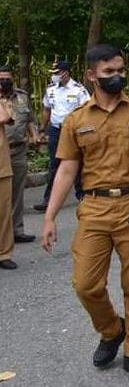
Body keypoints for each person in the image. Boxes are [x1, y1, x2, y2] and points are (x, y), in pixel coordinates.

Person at [40, 44, 129, 382]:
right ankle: (112, 329)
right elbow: (67, 171)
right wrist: (50, 217)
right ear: (91, 75)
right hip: (94, 208)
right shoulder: (77, 119)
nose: (116, 77)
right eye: (108, 72)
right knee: (85, 283)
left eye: (120, 70)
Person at [36, 60, 89, 212]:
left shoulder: (79, 90)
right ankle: (49, 199)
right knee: (54, 164)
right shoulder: (51, 89)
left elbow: (86, 110)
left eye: (57, 73)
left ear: (66, 73)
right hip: (55, 129)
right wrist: (42, 129)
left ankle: (82, 196)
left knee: (77, 163)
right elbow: (47, 109)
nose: (55, 76)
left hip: (73, 131)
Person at [0, 66, 38, 243]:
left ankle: (16, 230)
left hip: (18, 150)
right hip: (1, 152)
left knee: (17, 192)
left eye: (7, 78)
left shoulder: (22, 96)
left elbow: (29, 119)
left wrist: (34, 135)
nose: (5, 82)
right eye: (1, 79)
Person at [0, 97, 15, 269]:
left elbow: (4, 118)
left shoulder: (4, 102)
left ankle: (4, 253)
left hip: (2, 167)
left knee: (3, 214)